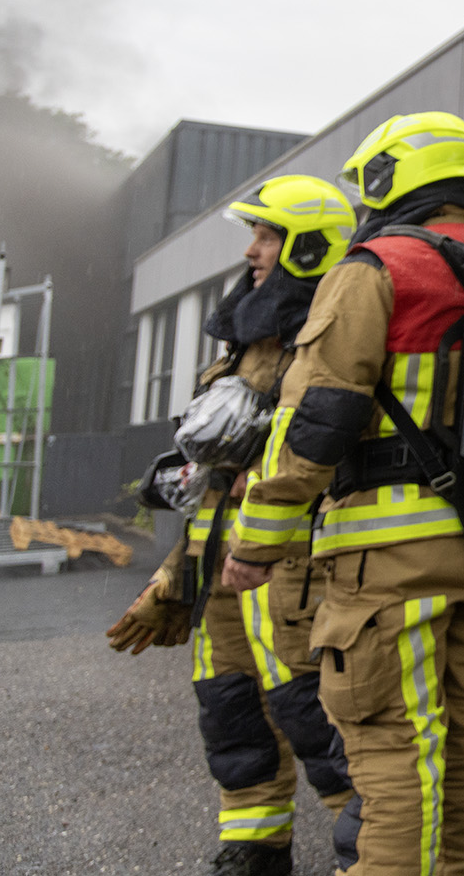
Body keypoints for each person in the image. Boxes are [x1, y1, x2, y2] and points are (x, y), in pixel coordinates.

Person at [225, 114, 464, 875]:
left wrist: (256, 543)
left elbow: (317, 420)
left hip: (389, 565)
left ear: (390, 177)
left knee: (394, 753)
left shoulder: (378, 266)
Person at [108, 175, 361, 876]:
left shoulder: (333, 340)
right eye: (254, 234)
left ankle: (370, 859)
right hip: (222, 574)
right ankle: (253, 854)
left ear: (307, 249)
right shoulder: (244, 342)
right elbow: (217, 479)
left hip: (295, 576)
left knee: (322, 728)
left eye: (268, 235)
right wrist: (176, 576)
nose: (252, 250)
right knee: (232, 718)